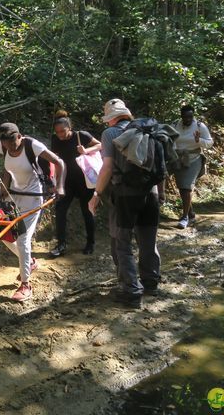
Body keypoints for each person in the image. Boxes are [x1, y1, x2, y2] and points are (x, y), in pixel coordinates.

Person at [88, 99, 161, 309]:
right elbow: (160, 167)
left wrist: (97, 194)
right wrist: (161, 193)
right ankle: (150, 283)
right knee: (148, 239)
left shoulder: (110, 134)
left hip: (126, 195)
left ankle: (131, 291)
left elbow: (107, 167)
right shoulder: (148, 130)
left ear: (111, 118)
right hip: (152, 192)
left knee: (122, 243)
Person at [0, 123, 65, 302]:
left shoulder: (32, 145)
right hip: (13, 198)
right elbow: (8, 169)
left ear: (19, 136)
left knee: (22, 239)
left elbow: (59, 162)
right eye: (6, 143)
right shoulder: (2, 146)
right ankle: (30, 262)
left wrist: (60, 186)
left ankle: (26, 284)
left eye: (12, 141)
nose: (10, 146)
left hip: (33, 198)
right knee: (2, 234)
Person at [50, 110, 102, 256]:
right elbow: (56, 161)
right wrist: (56, 181)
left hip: (85, 180)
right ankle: (61, 245)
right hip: (66, 181)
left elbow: (100, 145)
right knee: (60, 211)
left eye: (63, 131)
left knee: (87, 212)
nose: (60, 135)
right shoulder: (55, 139)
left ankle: (90, 243)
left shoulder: (82, 135)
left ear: (70, 128)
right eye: (58, 132)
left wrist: (86, 150)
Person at [172, 105, 213, 229]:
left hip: (194, 158)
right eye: (185, 117)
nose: (188, 119)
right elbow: (169, 139)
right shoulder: (174, 125)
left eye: (190, 117)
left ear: (193, 116)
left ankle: (184, 218)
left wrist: (198, 140)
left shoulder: (200, 126)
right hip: (178, 159)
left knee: (187, 187)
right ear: (181, 116)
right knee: (181, 188)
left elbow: (210, 143)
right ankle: (190, 213)